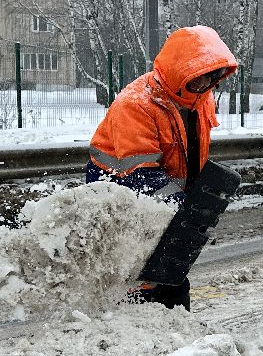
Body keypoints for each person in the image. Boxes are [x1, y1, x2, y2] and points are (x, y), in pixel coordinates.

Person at [87, 26, 240, 309]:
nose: (206, 86)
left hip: (168, 194)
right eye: (199, 79)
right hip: (123, 194)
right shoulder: (136, 105)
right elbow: (138, 173)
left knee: (171, 272)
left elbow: (189, 150)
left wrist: (196, 198)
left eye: (213, 78)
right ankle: (132, 328)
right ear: (180, 72)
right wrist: (183, 207)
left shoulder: (199, 99)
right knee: (138, 270)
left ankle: (174, 327)